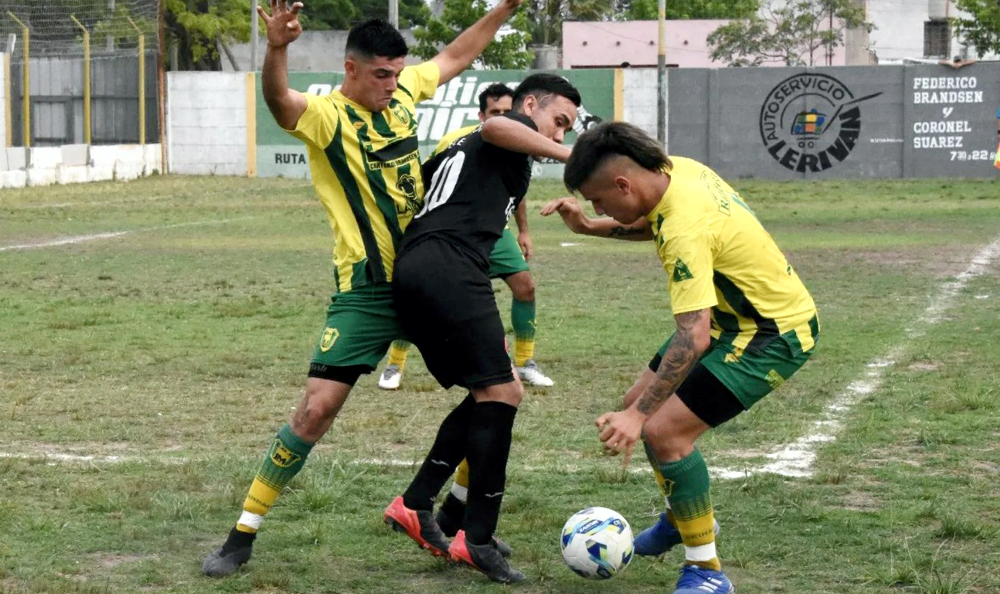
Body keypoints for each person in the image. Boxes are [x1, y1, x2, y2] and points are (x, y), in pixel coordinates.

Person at [200, 0, 528, 577]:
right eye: (381, 74)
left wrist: (504, 9)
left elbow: (455, 53)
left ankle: (443, 512)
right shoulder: (327, 116)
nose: (392, 84)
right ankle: (241, 535)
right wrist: (276, 48)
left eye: (397, 73)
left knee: (495, 394)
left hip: (434, 279)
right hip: (367, 291)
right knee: (314, 411)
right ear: (350, 69)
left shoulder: (403, 93)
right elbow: (281, 104)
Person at [541, 122, 819, 594]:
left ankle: (707, 572)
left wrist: (637, 416)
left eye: (599, 201)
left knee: (661, 428)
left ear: (623, 183)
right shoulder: (679, 171)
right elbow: (653, 224)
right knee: (639, 402)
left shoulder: (684, 226)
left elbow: (693, 337)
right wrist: (591, 228)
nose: (598, 208)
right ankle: (679, 518)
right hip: (738, 321)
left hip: (772, 333)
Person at [382, 74, 580, 584]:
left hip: (426, 265)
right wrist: (570, 158)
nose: (558, 137)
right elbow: (498, 127)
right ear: (530, 104)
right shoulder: (503, 127)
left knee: (490, 393)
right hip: (449, 266)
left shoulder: (463, 146)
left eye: (566, 132)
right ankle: (477, 537)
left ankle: (419, 504)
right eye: (558, 123)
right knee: (503, 393)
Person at [379, 82, 554, 390]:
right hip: (452, 231)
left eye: (506, 111)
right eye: (494, 112)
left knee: (525, 287)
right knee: (425, 294)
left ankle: (525, 361)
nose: (502, 116)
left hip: (496, 230)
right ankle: (394, 364)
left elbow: (516, 189)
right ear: (481, 115)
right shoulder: (458, 139)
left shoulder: (521, 141)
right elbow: (428, 180)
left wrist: (524, 230)